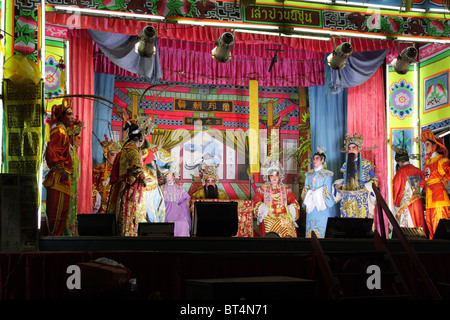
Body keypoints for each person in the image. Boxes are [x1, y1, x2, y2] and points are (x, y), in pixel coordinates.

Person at [106, 120, 147, 236]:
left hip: (122, 185)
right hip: (131, 187)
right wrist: (143, 179)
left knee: (122, 212)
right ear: (137, 138)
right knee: (131, 212)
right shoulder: (133, 150)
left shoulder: (124, 150)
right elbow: (137, 169)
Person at [43, 98, 74, 236]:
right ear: (61, 116)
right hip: (59, 176)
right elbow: (51, 151)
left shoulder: (63, 132)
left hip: (63, 177)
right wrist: (60, 168)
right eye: (69, 114)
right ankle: (53, 241)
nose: (72, 117)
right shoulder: (58, 131)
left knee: (62, 212)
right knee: (56, 211)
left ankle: (57, 238)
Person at [333, 133, 378, 219]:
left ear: (359, 149)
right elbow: (345, 180)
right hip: (347, 198)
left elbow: (374, 179)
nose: (351, 150)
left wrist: (367, 187)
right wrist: (338, 185)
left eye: (354, 148)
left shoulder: (366, 164)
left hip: (362, 197)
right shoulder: (345, 165)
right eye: (349, 148)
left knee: (362, 222)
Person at [253, 157, 300, 238]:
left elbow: (294, 200)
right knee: (268, 223)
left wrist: (291, 208)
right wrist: (262, 207)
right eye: (272, 175)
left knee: (287, 222)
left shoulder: (285, 189)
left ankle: (287, 248)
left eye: (276, 175)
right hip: (269, 215)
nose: (274, 177)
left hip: (283, 214)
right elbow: (256, 201)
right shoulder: (262, 189)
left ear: (280, 176)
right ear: (268, 176)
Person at [140, 137, 179, 223]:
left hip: (151, 190)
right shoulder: (130, 151)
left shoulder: (153, 149)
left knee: (153, 218)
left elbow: (173, 160)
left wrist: (170, 171)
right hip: (134, 190)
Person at [420, 129, 450, 239]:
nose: (425, 147)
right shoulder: (427, 162)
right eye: (425, 145)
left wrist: (445, 178)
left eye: (427, 144)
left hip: (438, 198)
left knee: (439, 226)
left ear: (434, 146)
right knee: (430, 224)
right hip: (429, 197)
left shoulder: (441, 160)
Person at [301, 146, 336, 238]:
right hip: (311, 202)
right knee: (310, 226)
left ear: (322, 160)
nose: (315, 160)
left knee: (322, 226)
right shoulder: (309, 173)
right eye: (314, 158)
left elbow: (327, 188)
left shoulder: (327, 174)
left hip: (322, 203)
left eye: (317, 158)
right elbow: (306, 187)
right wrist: (308, 195)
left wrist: (318, 193)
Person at [392, 146, 426, 233]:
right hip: (418, 205)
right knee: (419, 226)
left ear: (399, 161)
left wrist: (396, 203)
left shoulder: (400, 172)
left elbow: (396, 189)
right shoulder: (418, 171)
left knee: (408, 230)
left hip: (407, 206)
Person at [63, 116, 84, 236]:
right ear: (71, 137)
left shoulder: (74, 152)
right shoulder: (67, 152)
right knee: (67, 210)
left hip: (73, 187)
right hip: (66, 186)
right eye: (79, 138)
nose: (80, 141)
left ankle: (72, 233)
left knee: (73, 210)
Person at [92, 136, 120, 214]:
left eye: (117, 155)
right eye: (113, 154)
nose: (115, 157)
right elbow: (92, 185)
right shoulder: (99, 168)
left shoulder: (120, 169)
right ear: (106, 155)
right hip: (101, 203)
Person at [161, 170, 191, 237]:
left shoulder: (179, 188)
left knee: (183, 223)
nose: (169, 179)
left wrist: (181, 206)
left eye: (170, 177)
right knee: (169, 223)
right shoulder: (161, 188)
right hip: (166, 210)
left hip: (177, 210)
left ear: (173, 177)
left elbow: (186, 198)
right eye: (167, 177)